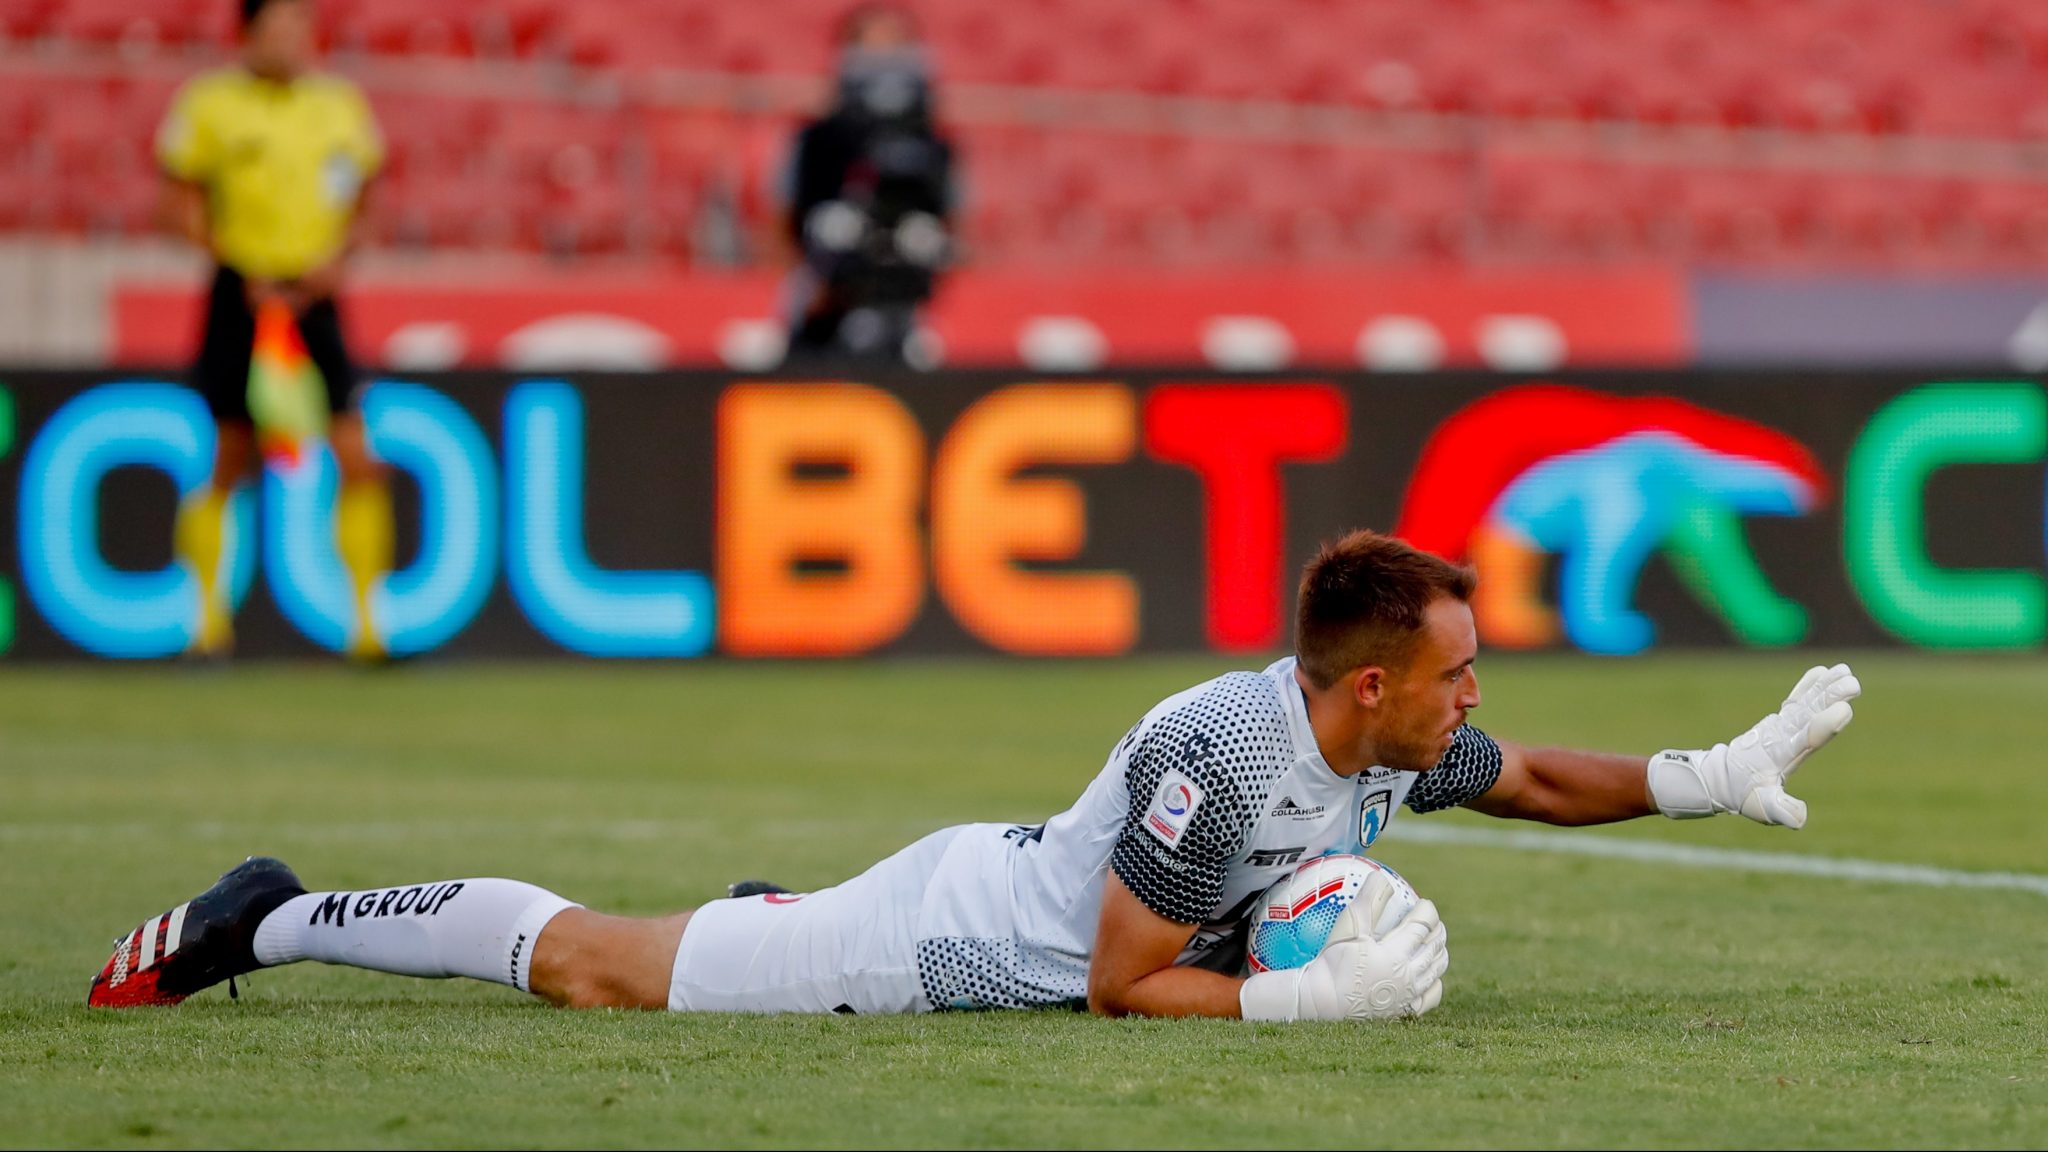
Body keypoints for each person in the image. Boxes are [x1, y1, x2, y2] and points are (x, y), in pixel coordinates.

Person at [88, 530, 1861, 1021]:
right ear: (1375, 681)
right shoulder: (1223, 753)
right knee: (600, 965)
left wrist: (1712, 767)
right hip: (948, 945)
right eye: (1459, 669)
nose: (1480, 696)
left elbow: (1534, 777)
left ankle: (762, 915)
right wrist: (1281, 1007)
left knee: (691, 937)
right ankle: (282, 913)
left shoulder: (1373, 737)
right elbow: (1113, 984)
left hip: (999, 888)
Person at [158, 0, 391, 660]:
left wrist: (338, 262)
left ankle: (369, 631)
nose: (292, 40)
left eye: (301, 27)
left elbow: (368, 202)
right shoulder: (209, 104)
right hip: (242, 293)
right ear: (246, 35)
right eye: (278, 27)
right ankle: (206, 626)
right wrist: (236, 264)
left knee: (355, 453)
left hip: (315, 294)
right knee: (231, 455)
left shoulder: (341, 105)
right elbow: (176, 206)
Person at [777, 4, 957, 367]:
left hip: (906, 311)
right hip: (823, 307)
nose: (882, 61)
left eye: (894, 46)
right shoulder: (817, 141)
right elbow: (782, 222)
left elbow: (951, 225)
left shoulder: (935, 147)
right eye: (870, 47)